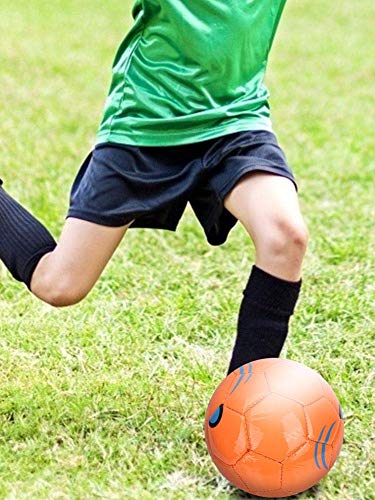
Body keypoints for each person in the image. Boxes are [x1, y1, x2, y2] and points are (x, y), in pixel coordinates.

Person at [0, 0, 308, 375]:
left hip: (236, 121)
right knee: (60, 285)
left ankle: (248, 405)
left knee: (285, 236)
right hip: (146, 124)